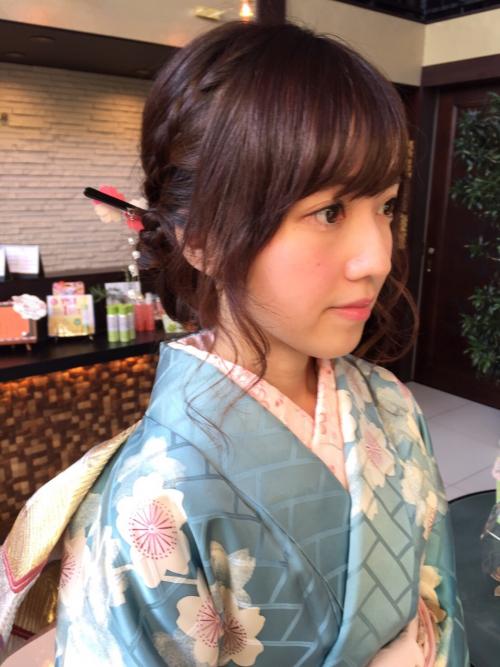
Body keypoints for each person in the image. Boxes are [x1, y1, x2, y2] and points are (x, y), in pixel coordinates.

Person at [0, 20, 468, 667]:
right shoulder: (148, 504)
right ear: (201, 239)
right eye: (330, 211)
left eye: (384, 206)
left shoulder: (389, 401)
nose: (378, 258)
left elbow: (439, 601)